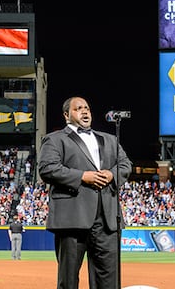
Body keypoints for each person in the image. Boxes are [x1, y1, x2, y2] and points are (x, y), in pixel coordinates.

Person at [37, 96, 133, 289]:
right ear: (66, 115)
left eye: (87, 108)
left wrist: (111, 174)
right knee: (69, 279)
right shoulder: (54, 139)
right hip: (73, 217)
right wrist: (83, 176)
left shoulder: (110, 139)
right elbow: (47, 168)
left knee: (109, 280)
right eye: (78, 108)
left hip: (106, 219)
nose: (84, 111)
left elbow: (126, 165)